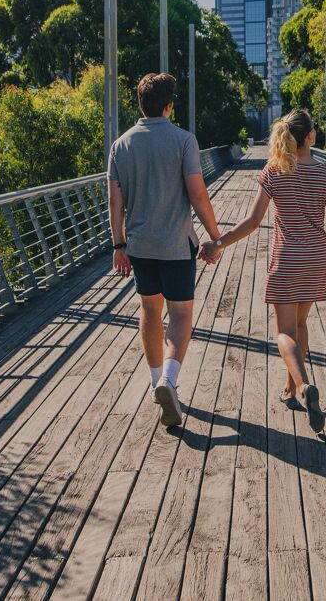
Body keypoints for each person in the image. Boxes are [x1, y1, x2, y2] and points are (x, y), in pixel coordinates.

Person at [200, 109, 326, 435]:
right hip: (316, 260)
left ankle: (302, 386)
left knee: (283, 332)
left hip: (286, 260)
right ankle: (291, 388)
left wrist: (218, 242)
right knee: (300, 324)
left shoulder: (275, 171)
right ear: (310, 137)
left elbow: (253, 222)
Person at [108, 73, 223, 428]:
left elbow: (115, 201)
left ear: (140, 104)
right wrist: (215, 236)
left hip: (139, 246)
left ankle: (155, 379)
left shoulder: (121, 145)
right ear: (169, 106)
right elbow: (198, 194)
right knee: (181, 314)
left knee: (149, 310)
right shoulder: (183, 140)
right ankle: (168, 381)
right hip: (176, 244)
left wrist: (118, 244)